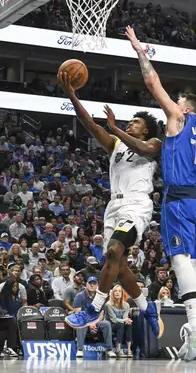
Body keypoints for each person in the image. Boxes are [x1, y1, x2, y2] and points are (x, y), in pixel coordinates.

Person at [105, 25, 196, 362]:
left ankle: (195, 321)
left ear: (186, 109)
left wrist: (138, 48)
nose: (173, 105)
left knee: (178, 258)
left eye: (179, 102)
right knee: (193, 261)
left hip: (181, 201)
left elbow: (152, 82)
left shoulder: (178, 119)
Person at [58, 70, 162, 337]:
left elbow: (146, 150)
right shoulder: (116, 144)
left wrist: (115, 127)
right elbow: (91, 125)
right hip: (113, 207)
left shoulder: (154, 142)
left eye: (135, 122)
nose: (130, 124)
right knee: (119, 265)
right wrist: (72, 96)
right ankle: (146, 305)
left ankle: (93, 308)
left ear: (146, 128)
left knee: (114, 251)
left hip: (137, 204)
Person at [104, 285, 133, 357]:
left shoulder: (126, 305)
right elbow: (113, 320)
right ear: (112, 293)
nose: (117, 293)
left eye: (119, 291)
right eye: (115, 291)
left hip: (120, 324)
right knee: (121, 324)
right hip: (110, 325)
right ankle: (118, 348)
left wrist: (127, 320)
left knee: (128, 324)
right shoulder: (108, 304)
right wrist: (125, 320)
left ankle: (129, 349)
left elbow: (125, 317)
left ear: (122, 293)